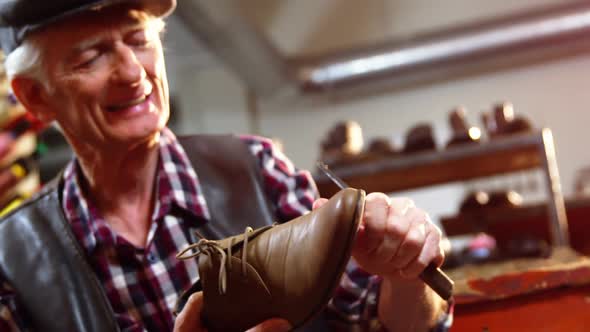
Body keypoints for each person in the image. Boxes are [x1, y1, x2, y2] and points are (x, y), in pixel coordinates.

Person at [0, 1, 452, 331]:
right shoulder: (12, 261)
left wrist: (404, 276)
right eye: (90, 57)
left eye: (139, 40)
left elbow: (402, 322)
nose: (133, 72)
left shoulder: (256, 171)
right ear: (35, 97)